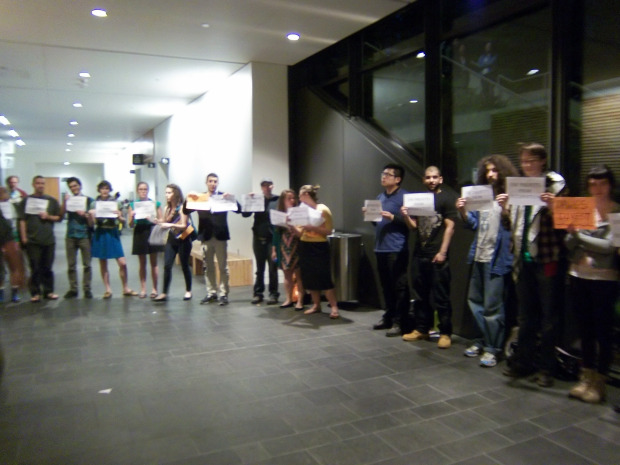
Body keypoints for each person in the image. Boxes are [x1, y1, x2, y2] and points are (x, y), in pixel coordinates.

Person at [503, 143, 566, 387]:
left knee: (549, 316)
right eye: (524, 161)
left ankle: (547, 368)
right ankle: (523, 362)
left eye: (531, 160)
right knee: (526, 314)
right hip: (522, 257)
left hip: (546, 257)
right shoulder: (519, 186)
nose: (527, 165)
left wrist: (553, 206)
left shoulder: (555, 185)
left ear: (542, 161)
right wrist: (504, 209)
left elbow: (567, 223)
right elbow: (511, 225)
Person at [456, 155, 518, 367]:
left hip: (497, 258)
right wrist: (463, 211)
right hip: (479, 254)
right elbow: (473, 224)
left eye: (495, 170)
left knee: (493, 306)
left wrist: (507, 208)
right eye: (488, 171)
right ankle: (481, 340)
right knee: (475, 301)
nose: (491, 174)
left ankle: (493, 347)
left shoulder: (509, 195)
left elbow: (516, 227)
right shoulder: (482, 195)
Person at [565, 165, 619, 403]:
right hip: (578, 275)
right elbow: (568, 244)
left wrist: (579, 236)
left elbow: (609, 247)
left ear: (610, 185)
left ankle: (600, 382)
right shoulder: (582, 208)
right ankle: (585, 377)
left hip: (604, 279)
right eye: (593, 184)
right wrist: (572, 233)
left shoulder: (616, 212)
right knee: (585, 330)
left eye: (602, 183)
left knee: (603, 331)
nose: (597, 188)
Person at [401, 166, 457, 348]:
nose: (431, 180)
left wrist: (443, 252)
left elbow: (450, 227)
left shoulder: (447, 198)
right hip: (419, 254)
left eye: (434, 177)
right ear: (423, 180)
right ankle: (422, 329)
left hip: (437, 255)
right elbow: (414, 227)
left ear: (440, 179)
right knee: (420, 294)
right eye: (428, 177)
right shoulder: (420, 199)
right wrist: (405, 215)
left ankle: (445, 332)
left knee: (441, 296)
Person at [367, 164, 410, 337]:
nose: (383, 177)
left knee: (399, 286)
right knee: (386, 286)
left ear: (397, 179)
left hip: (396, 248)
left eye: (387, 174)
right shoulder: (380, 196)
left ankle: (400, 321)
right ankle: (389, 317)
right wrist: (370, 215)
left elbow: (411, 224)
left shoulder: (405, 197)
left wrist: (393, 217)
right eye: (382, 173)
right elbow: (377, 223)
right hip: (380, 247)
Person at [184, 173, 235, 306]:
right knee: (208, 267)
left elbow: (239, 210)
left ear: (218, 183)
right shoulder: (200, 198)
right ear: (206, 183)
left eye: (215, 181)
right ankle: (211, 293)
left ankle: (223, 294)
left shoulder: (223, 197)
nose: (213, 184)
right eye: (210, 181)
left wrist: (231, 199)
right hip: (206, 237)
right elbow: (185, 210)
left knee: (223, 267)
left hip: (220, 236)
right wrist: (188, 198)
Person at [296, 185, 340, 319]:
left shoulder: (322, 209)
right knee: (309, 277)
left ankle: (334, 307)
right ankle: (316, 305)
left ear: (306, 195)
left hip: (319, 246)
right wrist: (290, 225)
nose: (299, 199)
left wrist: (312, 228)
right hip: (305, 245)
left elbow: (329, 231)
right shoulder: (302, 210)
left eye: (300, 196)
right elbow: (300, 233)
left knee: (324, 276)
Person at [89, 180, 137, 299]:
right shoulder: (94, 204)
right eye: (102, 188)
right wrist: (90, 215)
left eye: (107, 188)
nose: (104, 191)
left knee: (122, 262)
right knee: (103, 262)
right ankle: (108, 290)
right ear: (99, 190)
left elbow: (123, 221)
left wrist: (119, 215)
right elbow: (91, 224)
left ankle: (125, 288)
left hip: (112, 232)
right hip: (101, 232)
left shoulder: (116, 203)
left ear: (109, 190)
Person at [18, 175, 62, 302]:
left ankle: (48, 291)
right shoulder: (26, 201)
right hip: (32, 239)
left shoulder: (51, 201)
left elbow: (58, 218)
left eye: (42, 183)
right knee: (35, 267)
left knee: (47, 267)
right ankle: (35, 292)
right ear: (33, 184)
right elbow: (22, 220)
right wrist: (23, 237)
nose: (40, 185)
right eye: (38, 183)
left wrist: (48, 216)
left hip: (48, 239)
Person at [242, 178, 280, 305]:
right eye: (264, 185)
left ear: (272, 186)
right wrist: (248, 200)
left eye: (269, 185)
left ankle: (273, 294)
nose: (267, 187)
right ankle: (258, 293)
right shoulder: (257, 199)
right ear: (261, 187)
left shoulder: (278, 200)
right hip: (258, 237)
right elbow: (245, 215)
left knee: (273, 268)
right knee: (259, 268)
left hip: (272, 239)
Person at [153, 184, 193, 302]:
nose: (167, 195)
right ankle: (164, 292)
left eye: (169, 192)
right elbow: (165, 221)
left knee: (184, 265)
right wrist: (158, 221)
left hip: (184, 238)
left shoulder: (182, 208)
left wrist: (169, 224)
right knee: (167, 265)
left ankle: (188, 290)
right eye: (166, 193)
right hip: (172, 239)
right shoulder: (167, 208)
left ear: (175, 193)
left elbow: (183, 225)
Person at [60, 177, 95, 299]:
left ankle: (87, 289)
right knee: (71, 264)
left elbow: (92, 223)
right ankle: (73, 289)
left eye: (75, 185)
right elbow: (61, 215)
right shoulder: (68, 200)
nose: (73, 188)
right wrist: (65, 202)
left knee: (87, 264)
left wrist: (85, 215)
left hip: (84, 235)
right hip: (71, 235)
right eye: (71, 187)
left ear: (80, 186)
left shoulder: (89, 200)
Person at [128, 182, 163, 298]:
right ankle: (143, 289)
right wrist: (132, 216)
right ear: (137, 191)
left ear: (148, 190)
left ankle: (154, 289)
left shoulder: (155, 204)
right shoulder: (133, 205)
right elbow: (130, 224)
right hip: (139, 232)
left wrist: (154, 219)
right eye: (141, 189)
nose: (143, 191)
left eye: (145, 189)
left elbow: (161, 221)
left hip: (152, 230)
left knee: (154, 262)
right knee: (142, 263)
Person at [271, 189, 304, 310]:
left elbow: (302, 233)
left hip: (297, 245)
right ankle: (289, 298)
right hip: (284, 247)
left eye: (293, 198)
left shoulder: (299, 213)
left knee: (299, 275)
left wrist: (292, 225)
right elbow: (276, 234)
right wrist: (274, 250)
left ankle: (300, 301)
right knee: (287, 274)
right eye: (289, 198)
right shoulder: (279, 214)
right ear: (283, 200)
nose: (292, 200)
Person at [0, 187, 22, 302]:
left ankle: (15, 292)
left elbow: (16, 225)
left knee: (14, 267)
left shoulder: (12, 206)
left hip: (11, 240)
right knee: (1, 269)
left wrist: (17, 240)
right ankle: (1, 292)